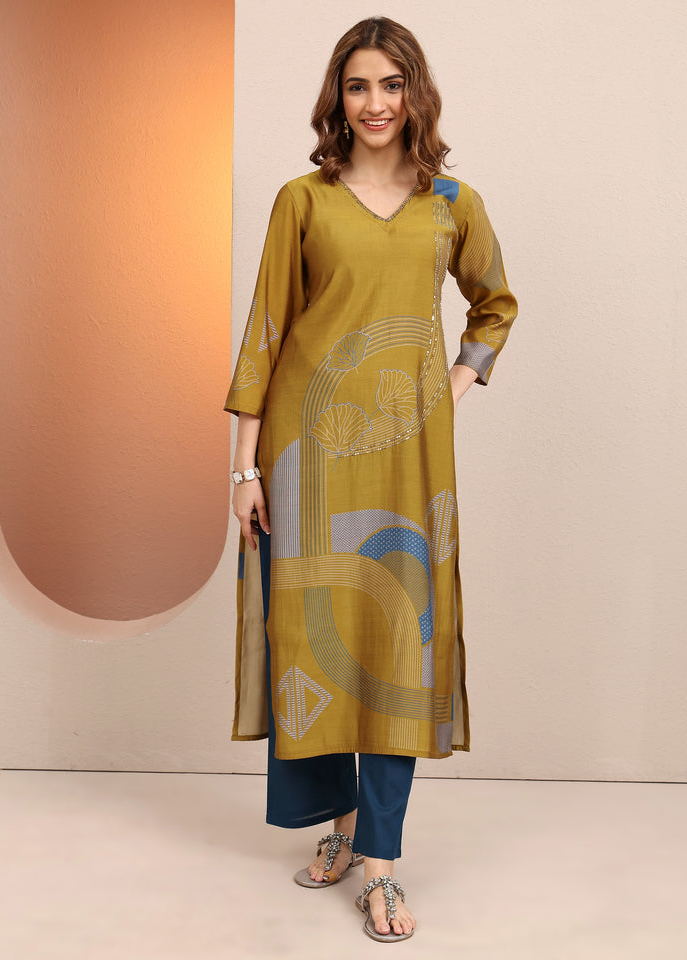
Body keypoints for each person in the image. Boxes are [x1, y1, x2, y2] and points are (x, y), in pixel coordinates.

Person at [224, 16, 517, 943]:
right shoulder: (302, 201)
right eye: (359, 86)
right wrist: (243, 467)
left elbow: (495, 305)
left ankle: (381, 865)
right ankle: (343, 828)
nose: (376, 103)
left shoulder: (452, 204)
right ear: (337, 99)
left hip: (406, 458)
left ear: (416, 94)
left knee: (400, 645)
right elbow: (266, 331)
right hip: (304, 457)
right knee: (314, 635)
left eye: (392, 85)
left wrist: (454, 384)